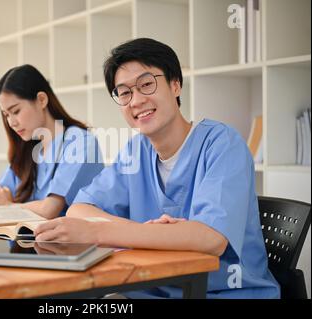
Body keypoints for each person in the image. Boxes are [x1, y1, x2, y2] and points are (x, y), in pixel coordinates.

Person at [34, 38, 280, 298]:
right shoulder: (135, 151)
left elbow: (211, 239)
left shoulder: (222, 144)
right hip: (154, 289)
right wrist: (154, 233)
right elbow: (80, 209)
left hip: (223, 292)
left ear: (175, 84)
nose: (136, 100)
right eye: (125, 92)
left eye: (147, 84)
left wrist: (100, 231)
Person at [0, 64, 104, 219]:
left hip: (73, 242)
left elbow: (49, 209)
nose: (11, 122)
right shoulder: (29, 147)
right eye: (6, 115)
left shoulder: (79, 142)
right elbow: (3, 198)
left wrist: (9, 207)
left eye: (16, 111)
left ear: (41, 100)